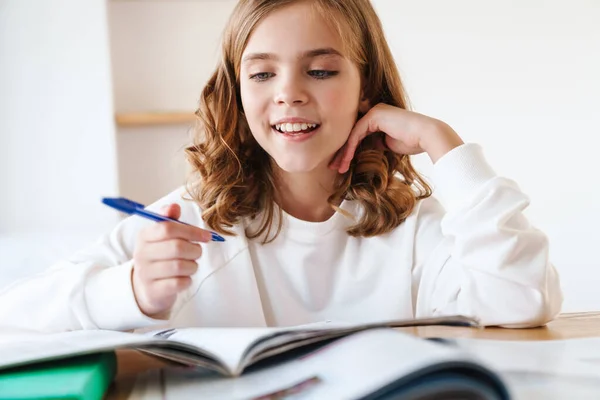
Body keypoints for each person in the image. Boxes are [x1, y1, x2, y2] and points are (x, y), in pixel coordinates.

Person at [0, 0, 562, 333]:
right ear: (238, 92)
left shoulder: (414, 226)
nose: (288, 94)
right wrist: (132, 291)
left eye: (320, 71)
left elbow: (521, 301)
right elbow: (15, 316)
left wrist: (446, 147)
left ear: (366, 87)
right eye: (263, 74)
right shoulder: (191, 222)